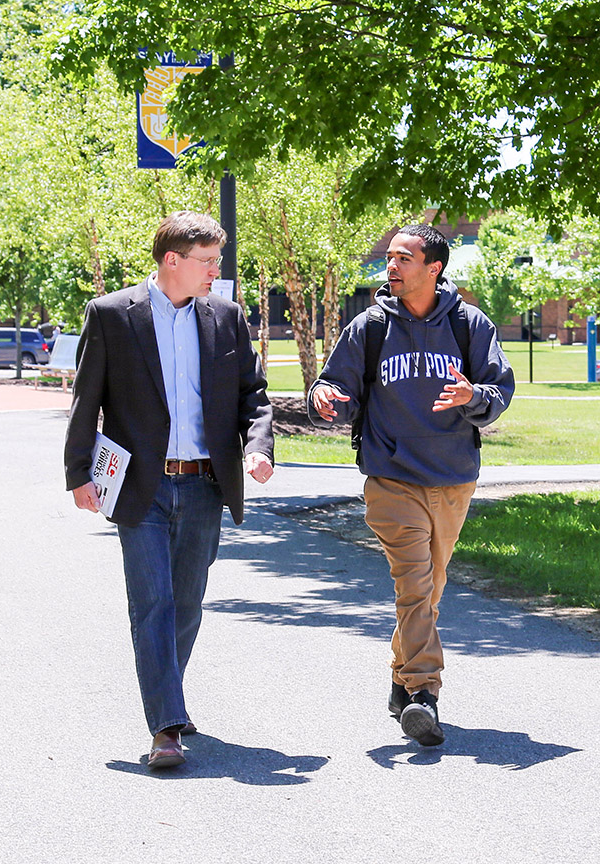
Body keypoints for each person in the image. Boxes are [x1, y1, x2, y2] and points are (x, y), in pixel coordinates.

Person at [64, 211, 274, 769]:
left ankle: (167, 695)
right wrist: (78, 471)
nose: (216, 271)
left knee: (186, 604)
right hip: (141, 485)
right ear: (172, 261)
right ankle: (165, 727)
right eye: (208, 261)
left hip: (205, 483)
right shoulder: (112, 315)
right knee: (152, 602)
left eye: (217, 261)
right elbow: (87, 399)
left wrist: (258, 447)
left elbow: (253, 394)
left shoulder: (225, 317)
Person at [308, 224, 514, 747]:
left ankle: (402, 680)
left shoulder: (469, 325)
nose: (390, 266)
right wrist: (325, 396)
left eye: (403, 258)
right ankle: (425, 694)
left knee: (431, 587)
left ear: (433, 268)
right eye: (389, 257)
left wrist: (472, 396)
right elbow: (336, 382)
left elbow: (498, 390)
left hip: (451, 477)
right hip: (391, 475)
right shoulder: (370, 326)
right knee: (415, 584)